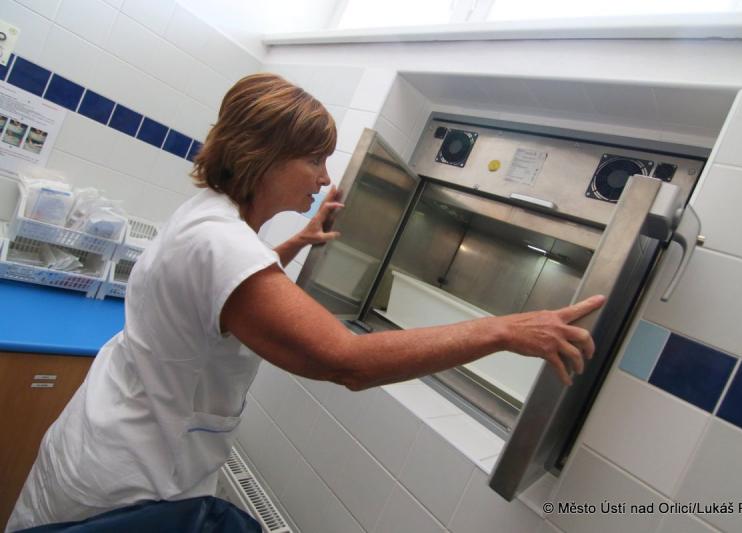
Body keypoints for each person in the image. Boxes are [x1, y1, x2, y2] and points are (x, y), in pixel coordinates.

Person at [6, 74, 604, 531]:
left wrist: (293, 245)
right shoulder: (224, 243)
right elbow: (345, 361)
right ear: (262, 156)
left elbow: (221, 293)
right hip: (132, 482)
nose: (322, 178)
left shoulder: (207, 216)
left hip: (105, 436)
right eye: (314, 159)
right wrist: (500, 331)